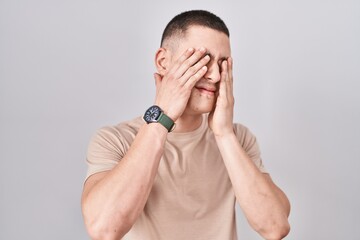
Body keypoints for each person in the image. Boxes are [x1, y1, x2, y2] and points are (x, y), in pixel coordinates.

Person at [81, 10, 290, 240]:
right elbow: (104, 228)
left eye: (222, 64)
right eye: (203, 59)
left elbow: (275, 226)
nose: (215, 76)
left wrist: (224, 134)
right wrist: (163, 117)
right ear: (163, 62)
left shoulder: (238, 138)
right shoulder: (115, 139)